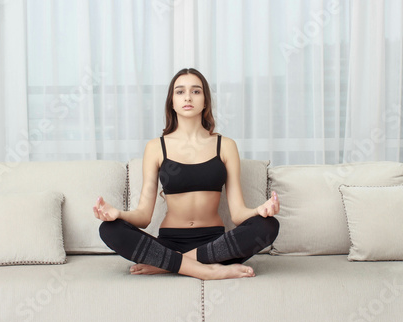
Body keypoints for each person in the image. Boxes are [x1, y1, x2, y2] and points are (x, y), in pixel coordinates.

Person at [93, 68, 280, 280]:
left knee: (268, 225)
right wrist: (118, 214)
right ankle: (207, 270)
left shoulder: (225, 145)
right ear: (172, 102)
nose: (188, 97)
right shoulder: (156, 147)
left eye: (196, 91)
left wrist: (260, 210)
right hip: (169, 241)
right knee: (109, 229)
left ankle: (170, 263)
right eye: (180, 92)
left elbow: (238, 214)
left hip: (215, 245)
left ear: (205, 101)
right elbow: (143, 216)